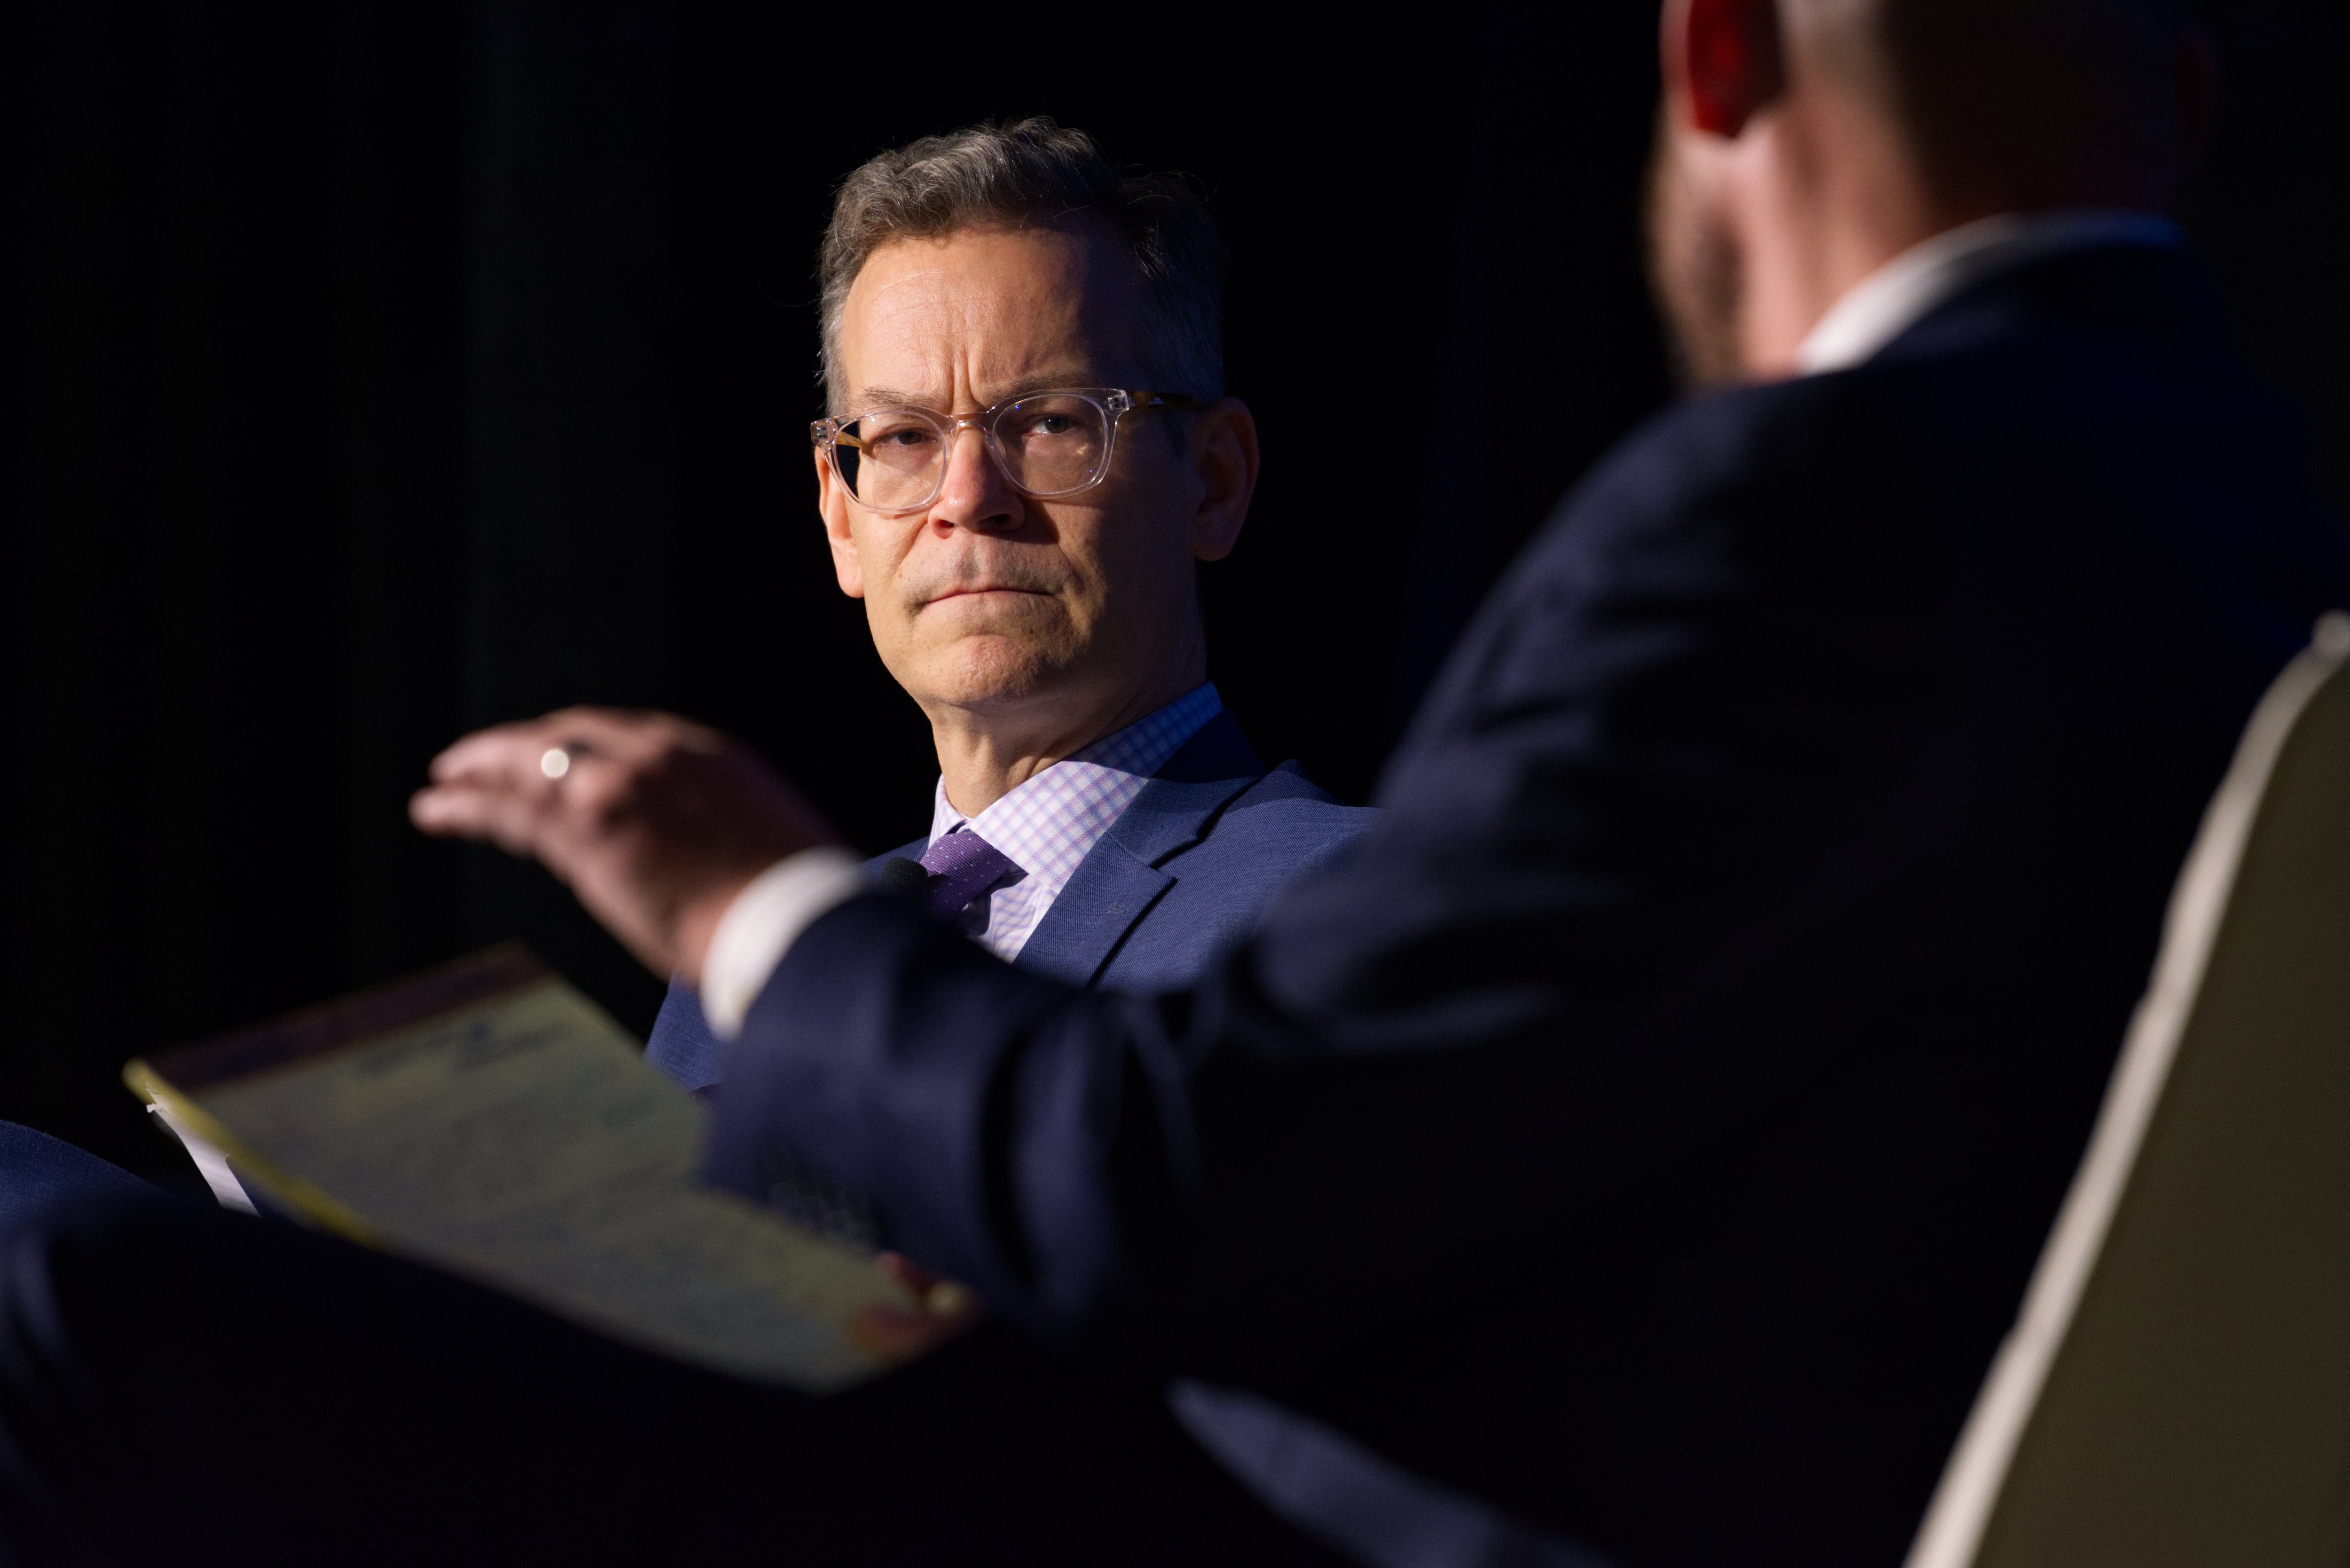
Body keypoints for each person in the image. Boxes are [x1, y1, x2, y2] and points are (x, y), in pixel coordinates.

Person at [7, 3, 2349, 1566]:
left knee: (40, 1271)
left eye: (1050, 424)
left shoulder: (1779, 548)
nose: (966, 503)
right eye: (898, 445)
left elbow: (1214, 1193)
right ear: (826, 514)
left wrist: (750, 903)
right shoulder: (2230, 521)